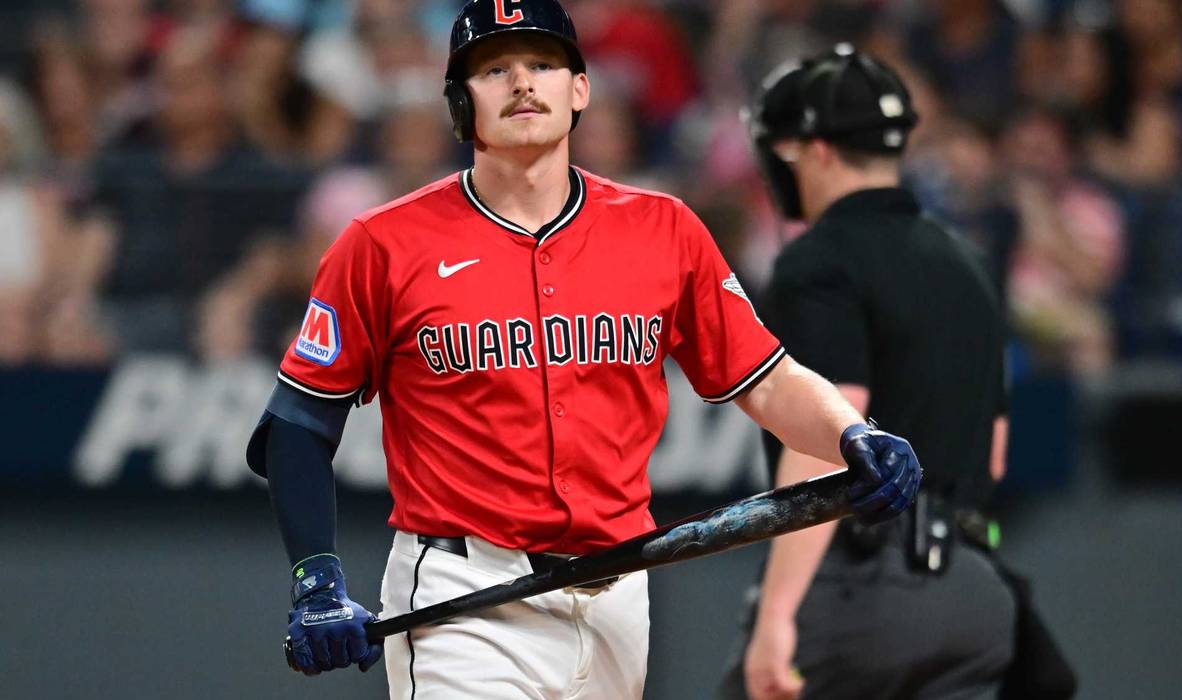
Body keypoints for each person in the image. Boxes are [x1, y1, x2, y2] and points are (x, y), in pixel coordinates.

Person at [244, 4, 920, 698]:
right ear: (459, 104)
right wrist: (316, 578)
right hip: (464, 592)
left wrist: (850, 433)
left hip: (617, 594)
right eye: (494, 69)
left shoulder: (663, 229)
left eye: (542, 63)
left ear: (579, 89)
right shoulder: (383, 243)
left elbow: (766, 379)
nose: (522, 82)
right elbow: (298, 423)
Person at [719, 46, 1045, 700]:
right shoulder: (968, 261)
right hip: (972, 592)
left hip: (862, 591)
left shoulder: (818, 261)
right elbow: (995, 450)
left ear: (817, 152)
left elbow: (828, 441)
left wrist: (778, 612)